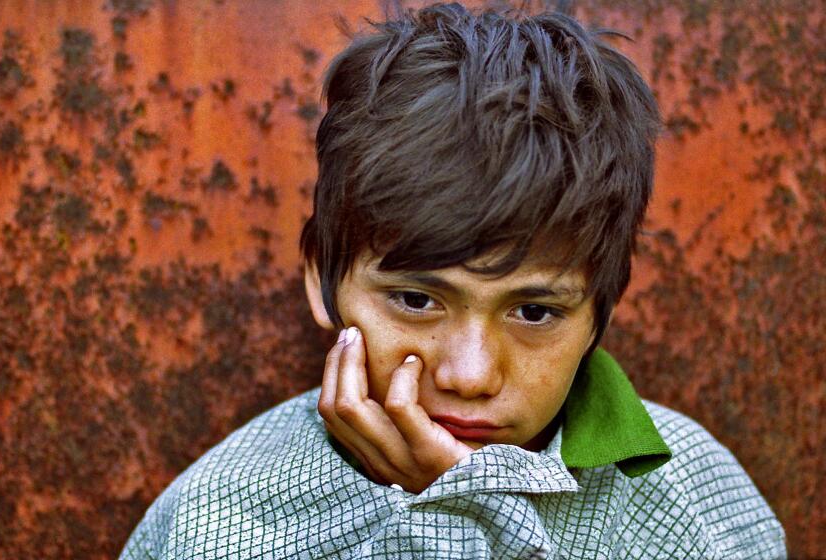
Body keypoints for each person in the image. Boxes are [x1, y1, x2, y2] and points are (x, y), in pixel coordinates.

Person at [119, 3, 786, 558]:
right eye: (415, 299)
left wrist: (466, 499)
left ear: (600, 314)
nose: (468, 376)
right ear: (322, 282)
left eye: (534, 313)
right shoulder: (225, 523)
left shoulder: (696, 499)